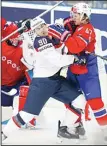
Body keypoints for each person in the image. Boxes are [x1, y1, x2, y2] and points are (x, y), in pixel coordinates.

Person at [2, 17, 86, 141]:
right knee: (27, 115)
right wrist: (74, 59)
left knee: (80, 100)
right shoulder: (39, 41)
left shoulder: (49, 37)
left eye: (43, 25)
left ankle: (65, 128)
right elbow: (56, 60)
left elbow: (62, 48)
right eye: (38, 28)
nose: (43, 29)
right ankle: (4, 134)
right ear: (34, 32)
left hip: (56, 81)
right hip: (42, 83)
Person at [50, 2, 107, 141]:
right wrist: (62, 25)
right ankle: (73, 126)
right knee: (72, 99)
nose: (73, 17)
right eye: (73, 14)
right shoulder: (75, 25)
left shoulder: (87, 29)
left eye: (76, 15)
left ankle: (105, 129)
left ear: (84, 16)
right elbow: (65, 24)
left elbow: (75, 47)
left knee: (95, 102)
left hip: (87, 72)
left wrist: (63, 34)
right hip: (73, 68)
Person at [1, 18, 36, 128]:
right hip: (2, 86)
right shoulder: (4, 37)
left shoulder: (25, 48)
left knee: (29, 85)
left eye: (19, 36)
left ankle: (25, 118)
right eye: (14, 36)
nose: (16, 39)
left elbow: (32, 66)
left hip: (16, 85)